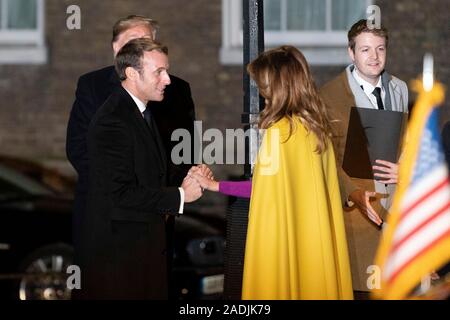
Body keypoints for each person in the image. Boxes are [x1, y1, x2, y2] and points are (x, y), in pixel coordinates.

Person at [190, 46, 353, 299]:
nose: (262, 93)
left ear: (276, 86)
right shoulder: (316, 128)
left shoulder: (280, 132)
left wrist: (214, 186)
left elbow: (262, 189)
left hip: (287, 246)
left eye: (263, 85)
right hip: (314, 247)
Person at [78, 39, 202, 299]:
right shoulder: (113, 120)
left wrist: (189, 177)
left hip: (141, 252)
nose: (168, 79)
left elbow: (149, 173)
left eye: (166, 70)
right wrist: (180, 195)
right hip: (122, 262)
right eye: (159, 71)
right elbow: (120, 194)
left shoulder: (141, 112)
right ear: (132, 74)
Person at [66, 15, 195, 250]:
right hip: (107, 212)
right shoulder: (93, 86)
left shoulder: (176, 89)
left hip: (159, 210)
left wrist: (168, 198)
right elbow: (79, 148)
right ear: (116, 47)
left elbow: (183, 148)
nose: (141, 48)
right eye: (134, 41)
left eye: (147, 41)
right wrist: (120, 197)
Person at [319, 19, 409, 295]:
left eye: (380, 49)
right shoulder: (327, 96)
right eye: (365, 49)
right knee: (359, 290)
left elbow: (405, 142)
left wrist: (405, 166)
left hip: (396, 209)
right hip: (356, 213)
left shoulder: (400, 88)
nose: (374, 57)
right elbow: (326, 158)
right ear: (351, 52)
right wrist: (353, 193)